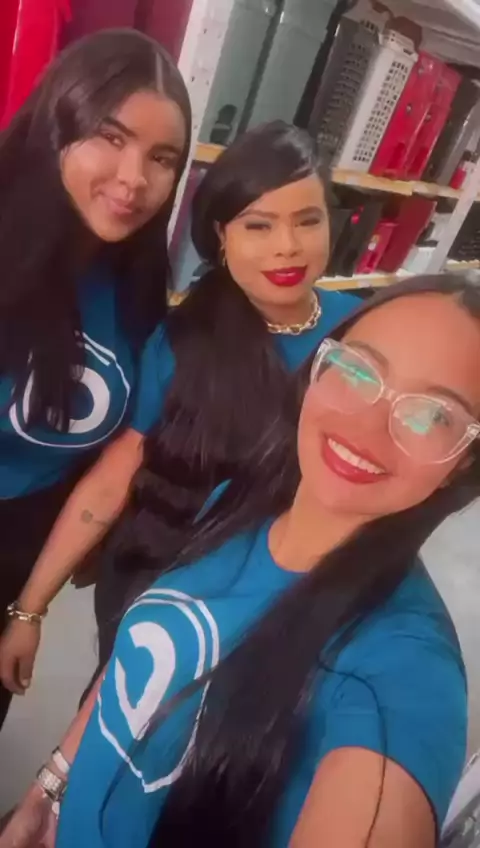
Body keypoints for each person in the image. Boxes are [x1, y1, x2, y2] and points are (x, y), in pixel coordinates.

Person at [1, 272, 477, 848]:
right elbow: (145, 658)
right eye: (358, 370)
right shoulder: (239, 502)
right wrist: (51, 784)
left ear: (462, 462)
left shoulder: (402, 671)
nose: (365, 426)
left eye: (433, 415)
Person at [0, 121, 359, 697]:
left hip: (290, 595)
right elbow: (111, 480)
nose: (287, 246)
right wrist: (29, 609)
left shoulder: (366, 330)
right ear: (221, 236)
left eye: (307, 220)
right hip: (162, 585)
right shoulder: (181, 343)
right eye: (258, 225)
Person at [0, 27, 191, 730]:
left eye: (162, 157)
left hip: (22, 547)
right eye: (110, 137)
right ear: (59, 124)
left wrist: (29, 607)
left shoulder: (138, 293)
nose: (134, 178)